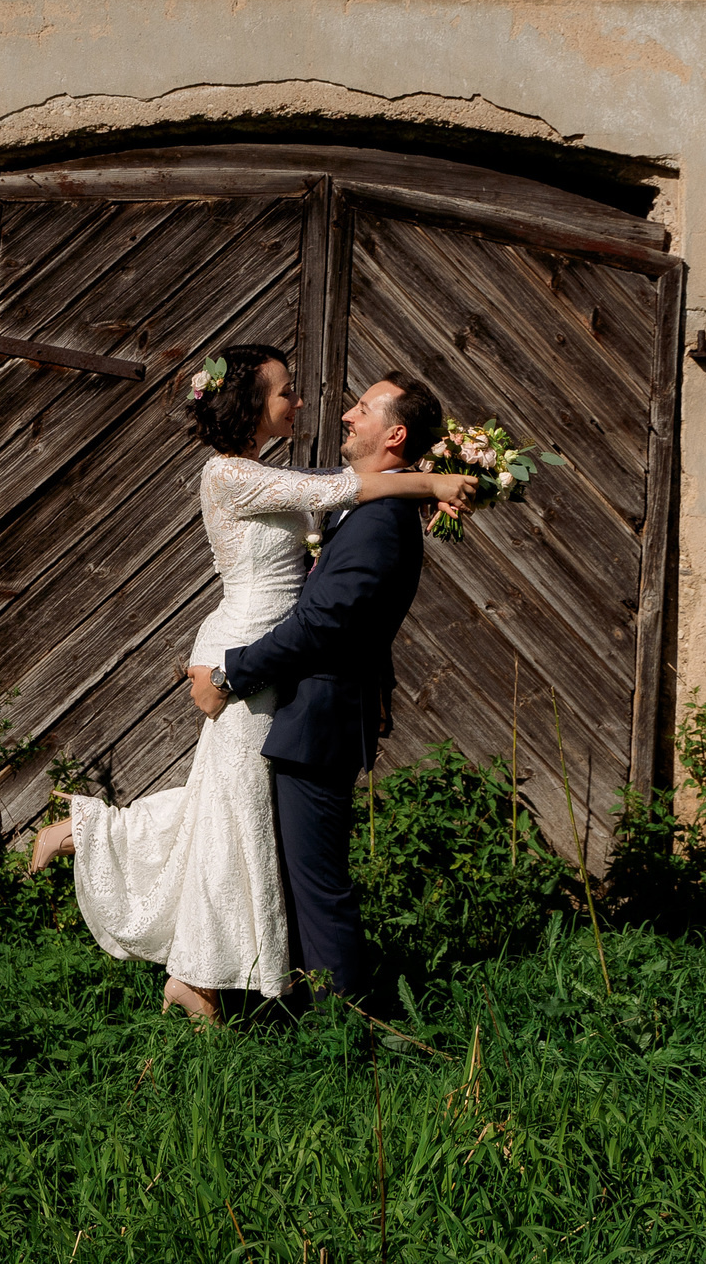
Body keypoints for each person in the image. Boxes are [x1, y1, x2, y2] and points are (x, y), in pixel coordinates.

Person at [28, 346, 472, 1024]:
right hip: (246, 655)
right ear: (253, 405)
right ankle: (189, 951)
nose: (310, 404)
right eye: (287, 392)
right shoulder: (229, 475)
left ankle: (193, 969)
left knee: (231, 813)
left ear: (394, 433)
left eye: (359, 406)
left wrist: (431, 480)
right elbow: (337, 495)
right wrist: (434, 483)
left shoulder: (278, 477)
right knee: (235, 814)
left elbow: (338, 520)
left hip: (263, 666)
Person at [218, 370, 444, 1005]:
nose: (347, 415)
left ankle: (344, 1029)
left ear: (394, 435)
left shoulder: (383, 520)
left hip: (319, 718)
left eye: (363, 409)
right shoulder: (376, 509)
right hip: (315, 715)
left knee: (316, 884)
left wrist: (235, 671)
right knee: (295, 875)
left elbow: (325, 624)